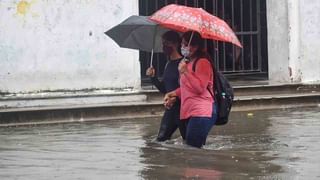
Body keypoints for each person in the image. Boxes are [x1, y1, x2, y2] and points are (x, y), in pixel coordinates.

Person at [164, 31, 217, 148]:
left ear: (196, 46)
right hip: (189, 111)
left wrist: (186, 72)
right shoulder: (187, 63)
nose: (183, 47)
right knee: (193, 149)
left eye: (187, 44)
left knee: (193, 150)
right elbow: (186, 88)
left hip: (201, 111)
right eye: (183, 44)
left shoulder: (203, 62)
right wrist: (172, 94)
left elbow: (199, 88)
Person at [146, 31, 186, 141]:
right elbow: (165, 89)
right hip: (171, 109)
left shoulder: (183, 64)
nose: (164, 46)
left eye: (167, 43)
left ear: (176, 44)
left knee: (189, 142)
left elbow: (187, 88)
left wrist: (175, 97)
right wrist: (153, 78)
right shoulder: (168, 64)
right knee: (161, 139)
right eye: (163, 43)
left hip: (183, 109)